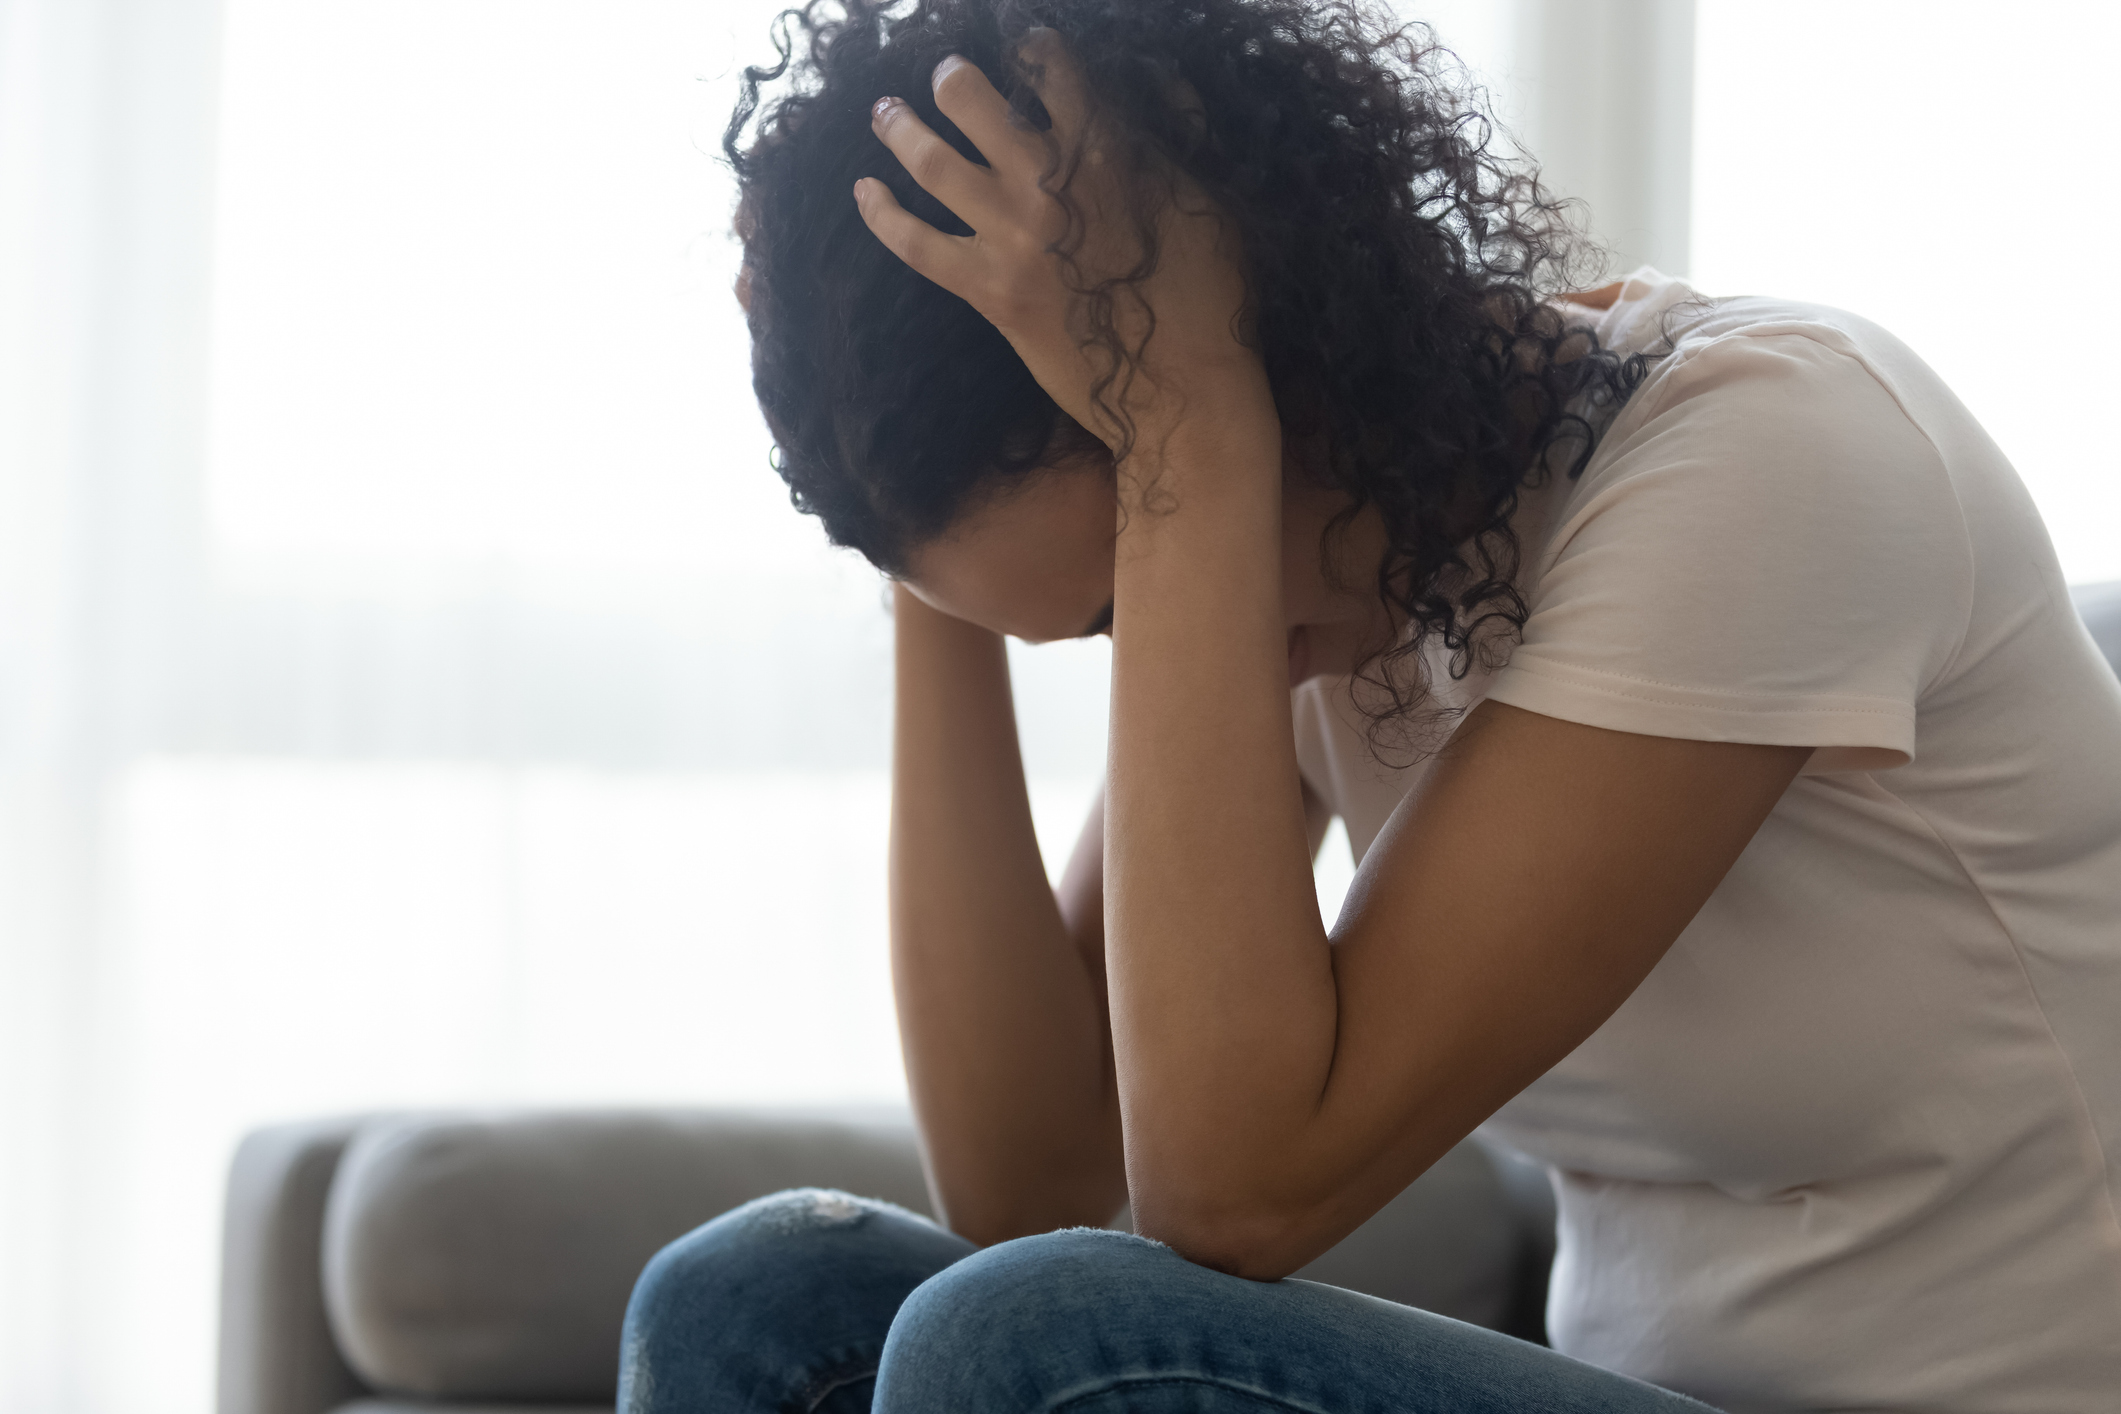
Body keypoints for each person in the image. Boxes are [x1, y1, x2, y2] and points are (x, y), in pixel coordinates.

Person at [620, 1, 2121, 1409]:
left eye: (1134, 589)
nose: (1182, 654)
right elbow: (1038, 1176)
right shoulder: (1338, 569)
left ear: (1260, 337)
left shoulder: (1769, 452)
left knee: (1023, 1342)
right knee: (755, 1292)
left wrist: (1186, 437)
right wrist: (878, 492)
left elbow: (1235, 1190)